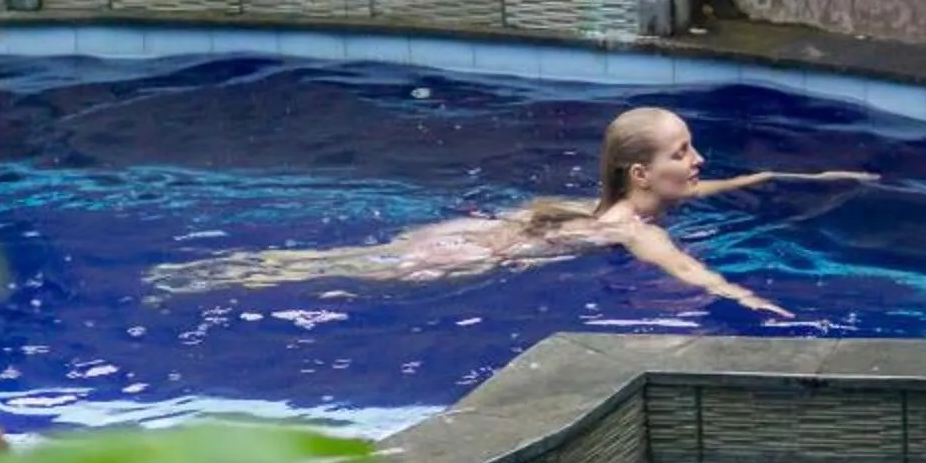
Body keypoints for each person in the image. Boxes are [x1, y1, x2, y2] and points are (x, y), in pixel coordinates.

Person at [146, 105, 869, 318]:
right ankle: (215, 280)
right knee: (334, 274)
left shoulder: (624, 200)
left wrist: (796, 174)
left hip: (487, 229)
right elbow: (686, 269)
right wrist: (762, 305)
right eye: (685, 152)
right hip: (475, 253)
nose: (699, 162)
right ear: (643, 173)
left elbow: (727, 186)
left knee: (331, 262)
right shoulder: (631, 228)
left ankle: (221, 270)